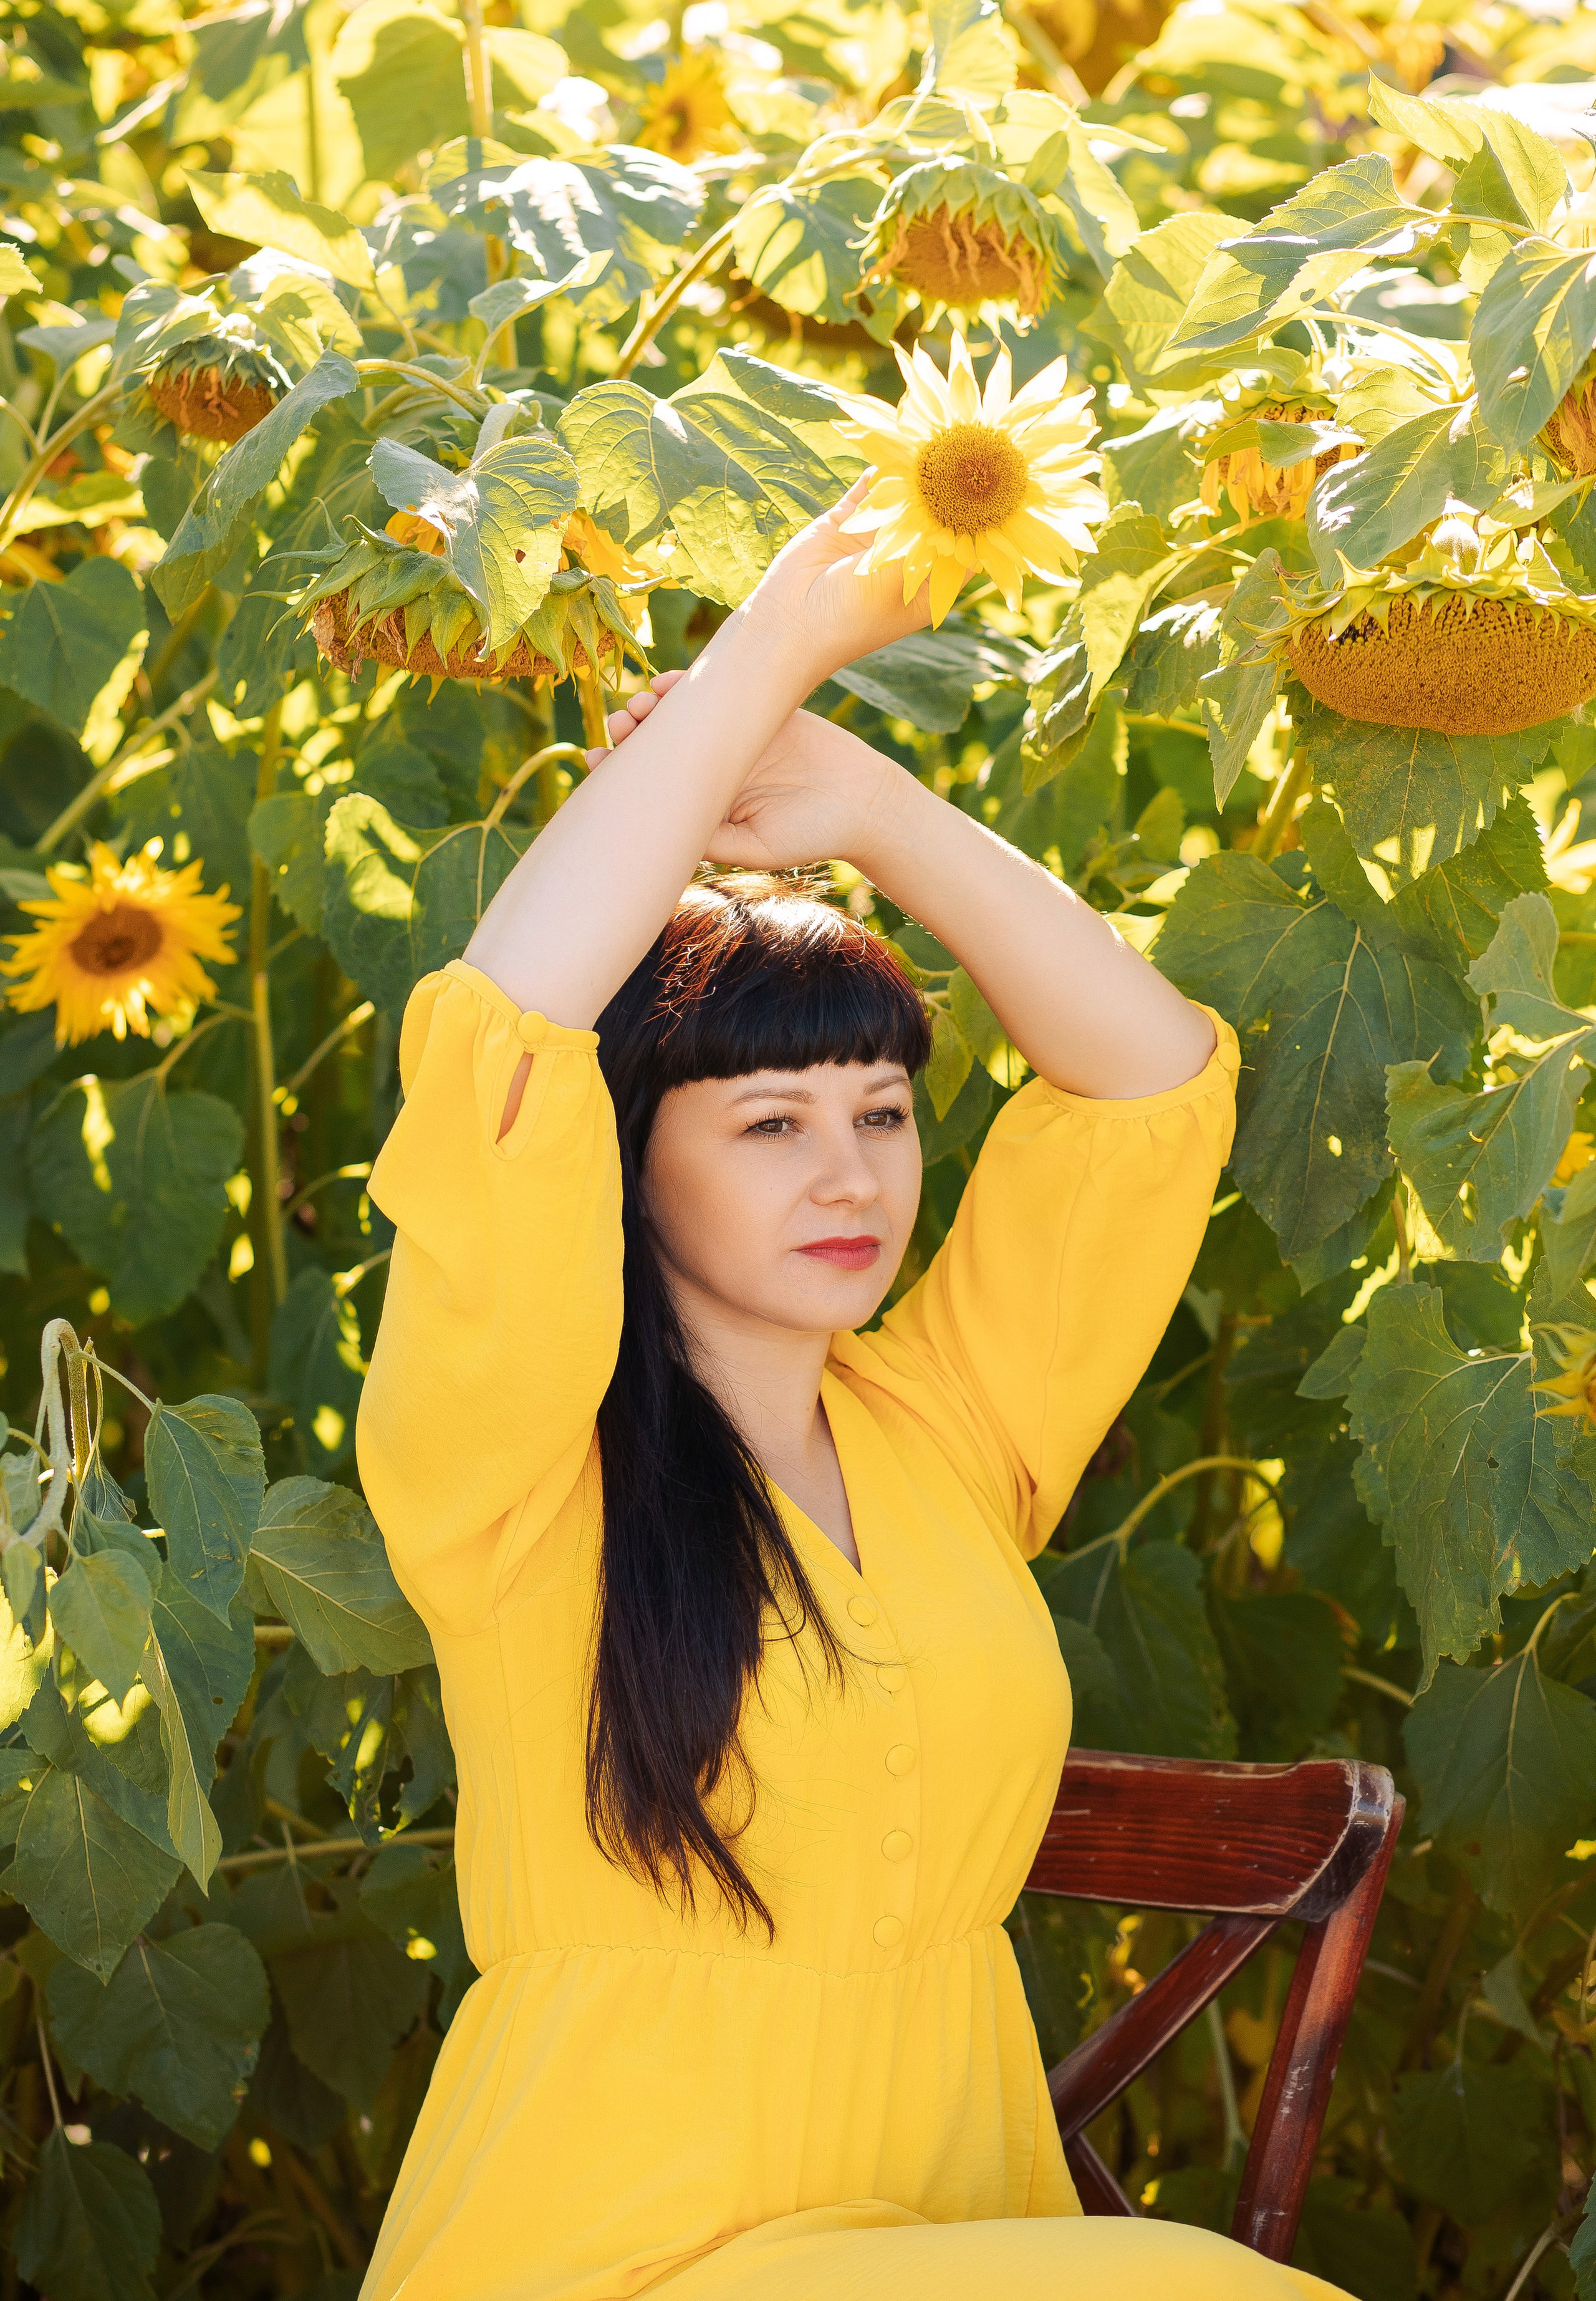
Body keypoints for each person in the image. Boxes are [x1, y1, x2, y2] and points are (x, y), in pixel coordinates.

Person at [355, 481, 1346, 2301]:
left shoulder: (949, 1428)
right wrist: (773, 650)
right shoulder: (512, 1473)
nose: (852, 1176)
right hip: (617, 2246)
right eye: (770, 1124)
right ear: (625, 1160)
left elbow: (1147, 1092)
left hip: (951, 2230)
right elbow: (500, 1038)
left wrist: (871, 809)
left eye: (883, 1114)